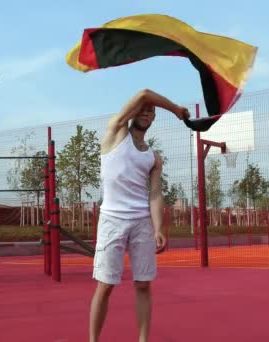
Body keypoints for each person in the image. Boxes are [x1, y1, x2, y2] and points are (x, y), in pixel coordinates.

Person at [89, 89, 190, 342]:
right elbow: (144, 93)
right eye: (144, 109)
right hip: (111, 220)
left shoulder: (153, 157)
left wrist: (158, 228)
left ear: (153, 119)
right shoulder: (116, 132)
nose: (147, 112)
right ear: (133, 112)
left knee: (144, 284)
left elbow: (155, 194)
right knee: (105, 285)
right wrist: (177, 110)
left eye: (151, 111)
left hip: (141, 222)